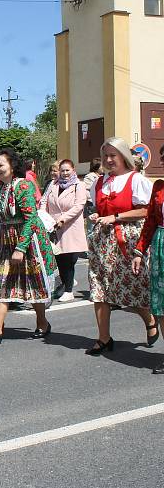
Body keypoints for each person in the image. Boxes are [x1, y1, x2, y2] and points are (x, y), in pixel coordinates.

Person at [0, 148, 56, 345]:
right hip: (5, 241)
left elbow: (31, 219)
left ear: (12, 166)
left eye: (1, 165)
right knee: (0, 282)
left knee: (34, 284)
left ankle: (42, 322)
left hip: (27, 242)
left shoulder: (23, 186)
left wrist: (21, 247)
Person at [85, 137, 155, 356]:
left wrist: (116, 217)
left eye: (113, 155)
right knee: (99, 290)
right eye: (105, 155)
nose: (108, 159)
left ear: (123, 156)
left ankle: (149, 319)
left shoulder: (136, 180)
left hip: (129, 241)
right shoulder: (98, 182)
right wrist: (97, 214)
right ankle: (104, 338)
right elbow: (96, 209)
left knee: (133, 288)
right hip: (102, 242)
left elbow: (146, 211)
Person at [132, 150, 164, 372]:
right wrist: (139, 251)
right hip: (161, 245)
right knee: (161, 306)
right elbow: (151, 221)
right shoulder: (159, 187)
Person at [40, 159, 87, 303]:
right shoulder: (53, 184)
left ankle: (68, 290)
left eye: (68, 170)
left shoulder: (79, 185)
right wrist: (43, 216)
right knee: (59, 258)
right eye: (62, 170)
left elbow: (79, 205)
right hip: (53, 226)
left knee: (68, 259)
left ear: (73, 170)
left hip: (70, 226)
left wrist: (63, 219)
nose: (65, 173)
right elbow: (43, 201)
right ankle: (65, 284)